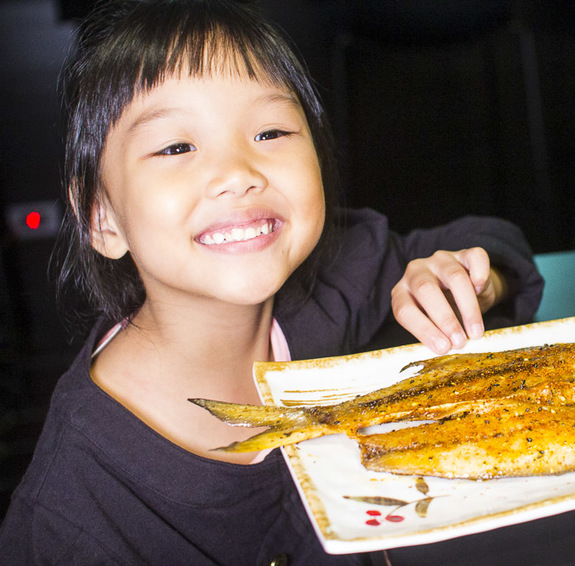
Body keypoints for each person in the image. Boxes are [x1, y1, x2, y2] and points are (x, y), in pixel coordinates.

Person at [0, 1, 544, 564]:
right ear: (100, 218)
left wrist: (468, 283)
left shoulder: (334, 279)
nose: (238, 173)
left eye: (270, 131)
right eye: (176, 147)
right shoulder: (75, 517)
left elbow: (491, 240)